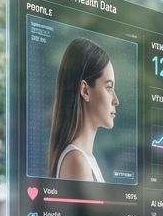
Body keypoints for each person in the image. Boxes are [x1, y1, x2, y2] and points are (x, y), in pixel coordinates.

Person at [47, 37, 118, 181]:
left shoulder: (86, 159)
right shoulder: (77, 161)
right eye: (109, 88)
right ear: (85, 90)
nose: (116, 101)